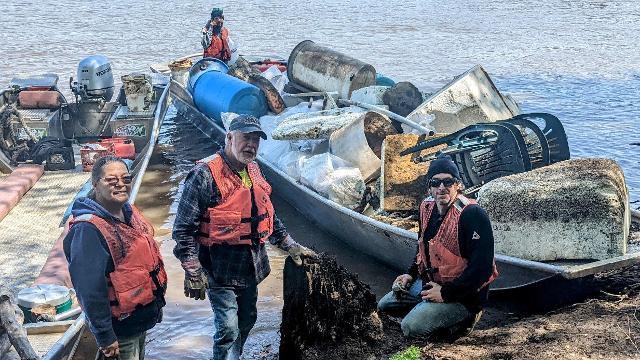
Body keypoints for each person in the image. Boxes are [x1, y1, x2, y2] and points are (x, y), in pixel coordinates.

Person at [172, 114, 316, 360]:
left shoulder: (255, 170)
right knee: (227, 327)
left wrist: (291, 246)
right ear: (229, 137)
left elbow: (266, 216)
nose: (251, 145)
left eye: (256, 140)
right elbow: (183, 230)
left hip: (251, 267)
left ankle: (234, 357)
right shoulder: (203, 174)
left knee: (248, 319)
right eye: (245, 138)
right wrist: (193, 271)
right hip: (217, 268)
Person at [377, 155, 498, 339]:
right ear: (430, 187)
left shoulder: (473, 215)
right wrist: (410, 274)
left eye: (448, 181)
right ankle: (428, 307)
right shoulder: (425, 208)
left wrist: (445, 293)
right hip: (432, 284)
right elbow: (422, 249)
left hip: (464, 295)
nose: (442, 187)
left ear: (458, 185)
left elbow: (482, 269)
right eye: (436, 182)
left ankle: (464, 320)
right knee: (384, 306)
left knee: (410, 327)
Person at [64, 156, 167, 360]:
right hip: (120, 330)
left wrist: (155, 306)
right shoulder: (88, 230)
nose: (120, 184)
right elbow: (90, 290)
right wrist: (104, 335)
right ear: (95, 185)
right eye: (111, 180)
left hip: (139, 320)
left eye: (126, 179)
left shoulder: (129, 213)